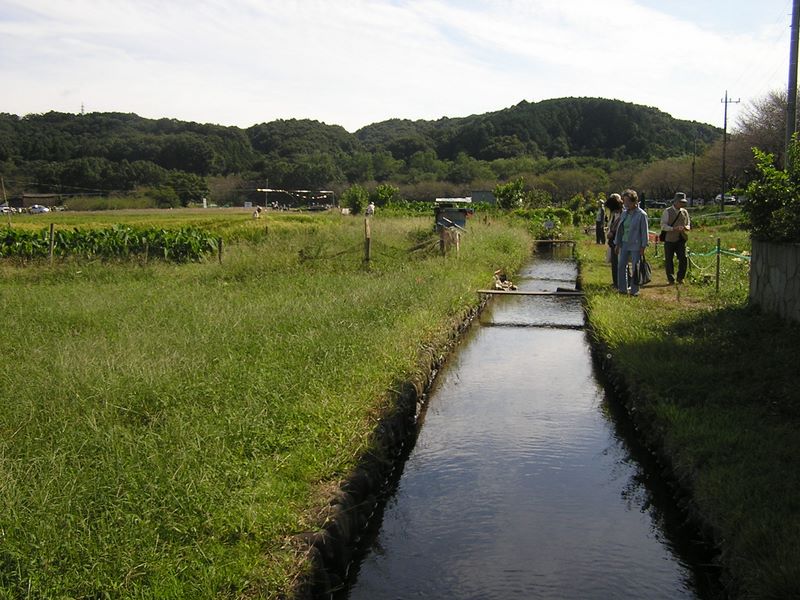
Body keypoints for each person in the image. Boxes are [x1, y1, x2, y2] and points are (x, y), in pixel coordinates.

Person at [615, 189, 649, 296]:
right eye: (624, 201)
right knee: (621, 266)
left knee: (635, 267)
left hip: (636, 244)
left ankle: (634, 290)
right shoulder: (624, 213)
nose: (626, 204)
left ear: (634, 201)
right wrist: (617, 244)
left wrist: (643, 246)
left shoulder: (641, 214)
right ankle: (622, 289)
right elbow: (620, 230)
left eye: (628, 201)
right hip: (624, 243)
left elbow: (644, 232)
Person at [660, 192, 691, 284]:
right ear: (675, 201)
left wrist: (686, 228)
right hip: (669, 239)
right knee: (669, 260)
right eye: (681, 202)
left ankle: (680, 277)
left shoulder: (684, 212)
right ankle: (671, 278)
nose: (682, 204)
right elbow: (663, 225)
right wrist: (673, 228)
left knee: (683, 258)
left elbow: (688, 224)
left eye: (683, 202)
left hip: (681, 238)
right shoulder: (667, 211)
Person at [605, 193, 623, 288]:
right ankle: (616, 282)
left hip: (619, 241)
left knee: (620, 263)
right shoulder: (615, 213)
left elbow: (620, 227)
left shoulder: (623, 213)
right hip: (613, 241)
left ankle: (619, 283)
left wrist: (613, 232)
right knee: (615, 263)